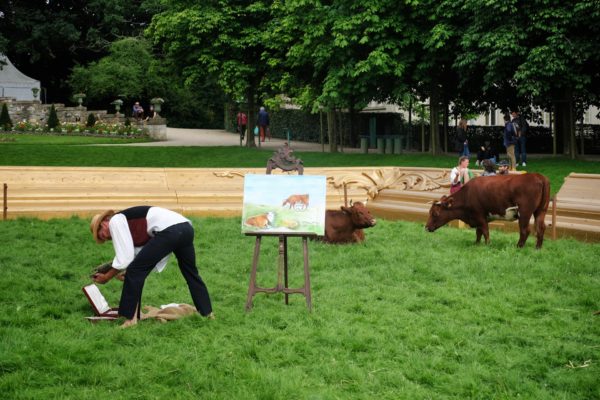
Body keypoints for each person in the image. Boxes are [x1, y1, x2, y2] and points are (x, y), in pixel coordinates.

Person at [90, 206, 214, 327]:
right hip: (186, 227)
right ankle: (207, 313)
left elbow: (125, 260)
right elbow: (140, 257)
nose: (106, 238)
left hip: (170, 231)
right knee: (191, 273)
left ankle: (130, 320)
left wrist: (107, 277)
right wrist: (126, 272)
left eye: (101, 234)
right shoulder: (129, 225)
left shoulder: (115, 220)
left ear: (104, 222)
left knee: (134, 271)